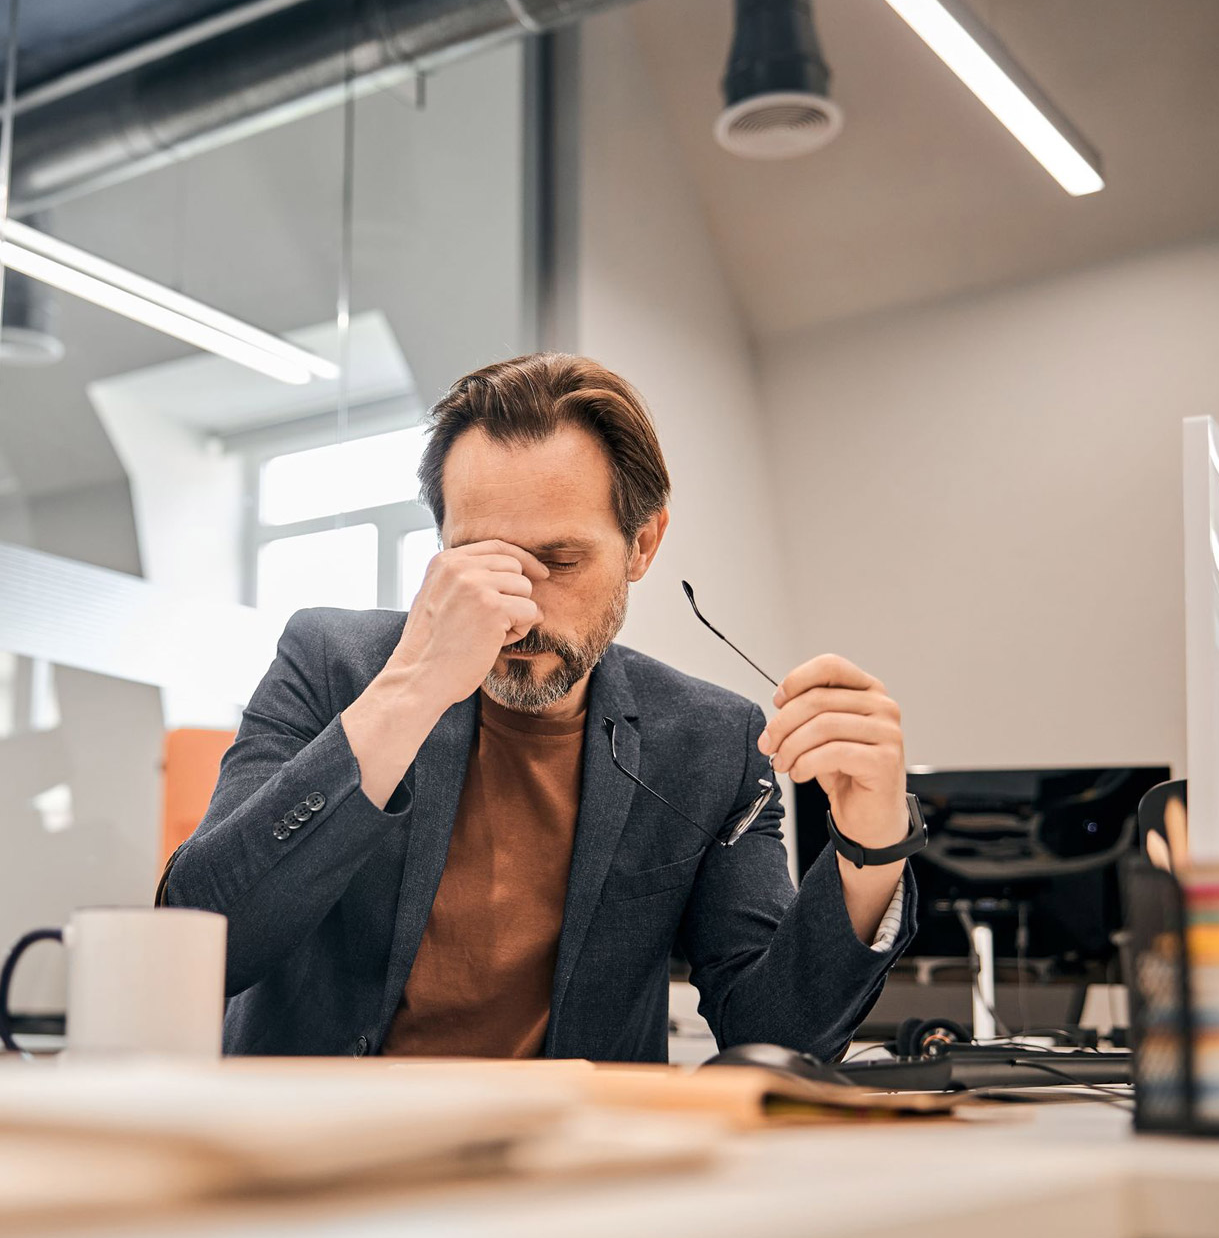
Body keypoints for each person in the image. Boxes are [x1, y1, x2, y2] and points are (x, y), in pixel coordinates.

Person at [163, 353, 917, 1062]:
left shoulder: (711, 740)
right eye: (480, 559)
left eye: (559, 562)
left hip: (567, 1176)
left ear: (643, 544)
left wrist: (870, 847)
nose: (517, 611)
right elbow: (201, 949)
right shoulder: (333, 663)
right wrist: (414, 687)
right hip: (313, 1161)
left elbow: (773, 1033)